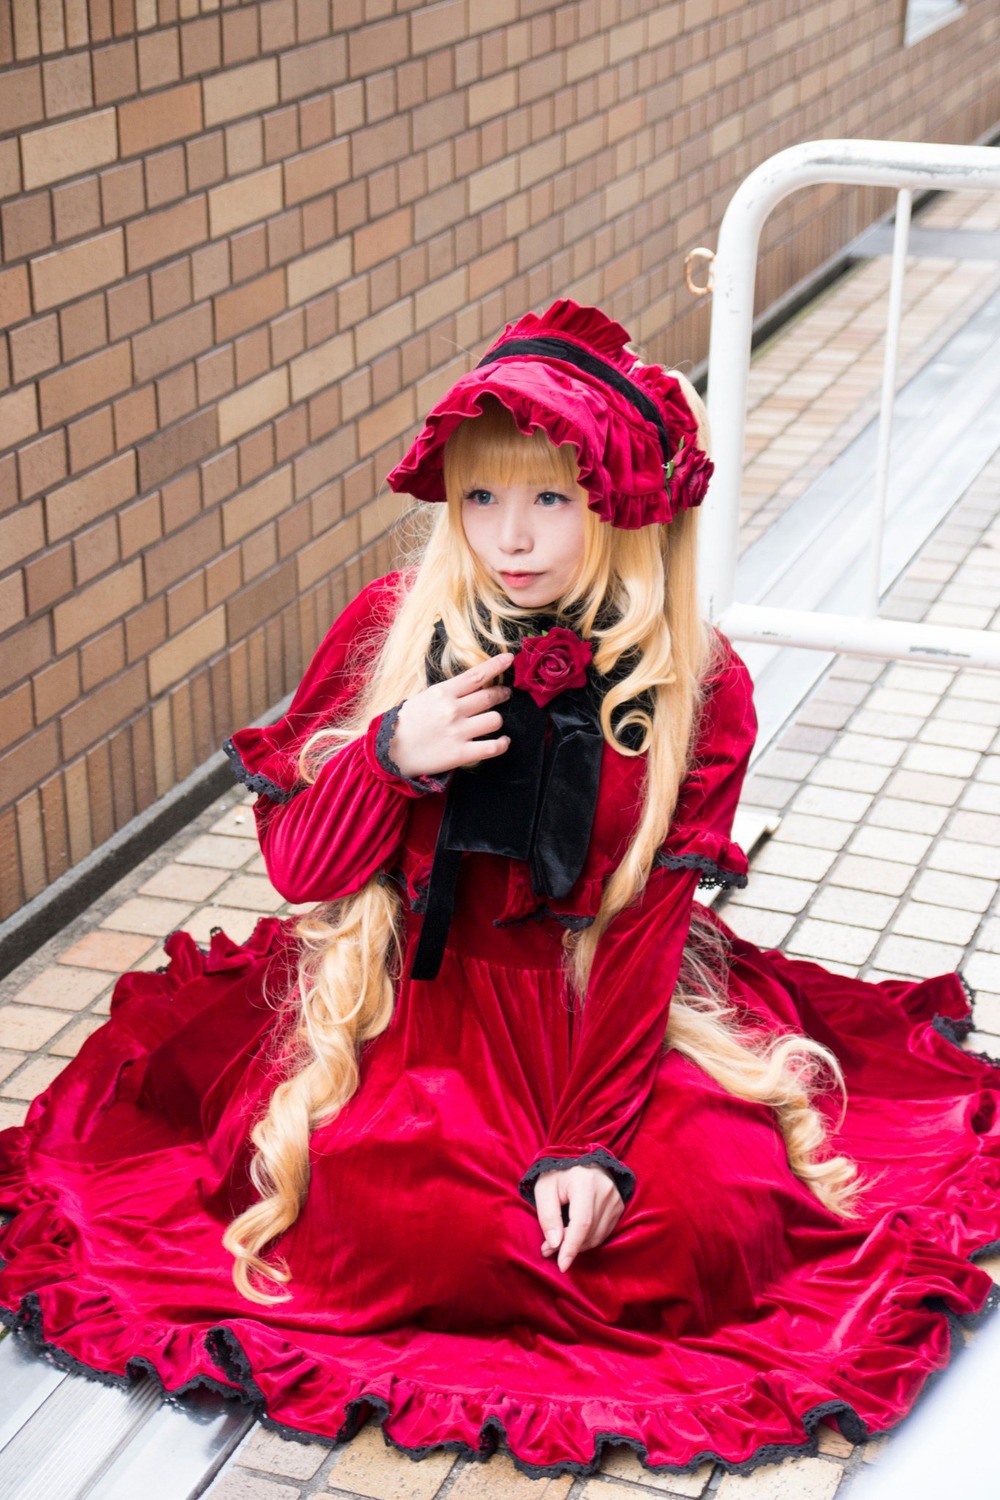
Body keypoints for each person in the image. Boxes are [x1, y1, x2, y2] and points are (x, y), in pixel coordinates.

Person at [1, 300, 998, 1478]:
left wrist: (589, 1144)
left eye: (549, 500)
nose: (507, 538)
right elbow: (302, 873)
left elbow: (637, 931)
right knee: (406, 1227)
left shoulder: (698, 689)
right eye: (480, 498)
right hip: (403, 1010)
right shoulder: (390, 624)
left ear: (622, 510)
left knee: (689, 1226)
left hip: (592, 1014)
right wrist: (388, 755)